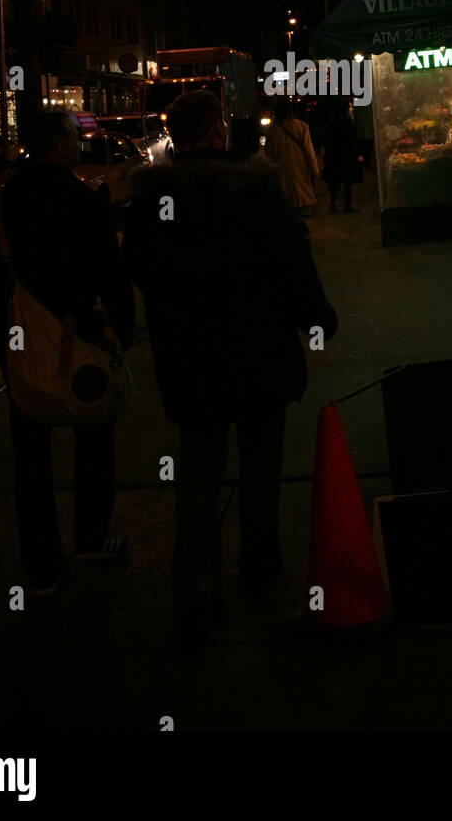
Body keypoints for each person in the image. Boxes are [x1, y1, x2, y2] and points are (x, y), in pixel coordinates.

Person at [122, 90, 338, 643]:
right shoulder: (256, 188)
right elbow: (294, 260)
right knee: (260, 465)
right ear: (219, 129)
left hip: (193, 362)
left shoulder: (154, 199)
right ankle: (260, 570)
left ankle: (196, 587)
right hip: (260, 354)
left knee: (198, 470)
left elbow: (139, 269)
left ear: (176, 133)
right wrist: (316, 315)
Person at [0, 112, 135, 597]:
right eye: (75, 139)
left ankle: (42, 567)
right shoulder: (83, 200)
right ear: (59, 146)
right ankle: (92, 536)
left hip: (22, 344)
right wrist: (123, 327)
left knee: (30, 455)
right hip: (83, 336)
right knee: (95, 429)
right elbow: (111, 273)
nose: (80, 146)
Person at [262, 96, 320, 219]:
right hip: (300, 172)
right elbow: (309, 151)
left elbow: (268, 156)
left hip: (281, 175)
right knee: (301, 208)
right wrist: (314, 169)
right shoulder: (302, 127)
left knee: (286, 210)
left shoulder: (271, 131)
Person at [322, 98, 362, 213]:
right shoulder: (347, 120)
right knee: (347, 183)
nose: (351, 108)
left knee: (336, 182)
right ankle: (347, 206)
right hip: (346, 157)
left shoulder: (334, 121)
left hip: (335, 157)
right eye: (349, 106)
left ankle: (333, 204)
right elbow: (352, 139)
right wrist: (357, 154)